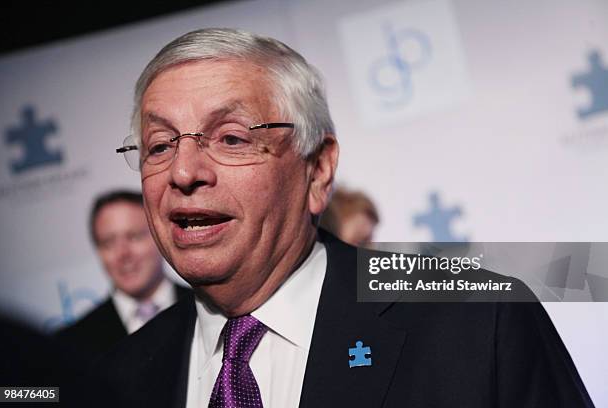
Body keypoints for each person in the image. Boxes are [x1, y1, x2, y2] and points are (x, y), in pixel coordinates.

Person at [92, 29, 594, 407]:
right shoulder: (114, 382)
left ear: (318, 169)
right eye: (159, 145)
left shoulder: (479, 323)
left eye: (231, 139)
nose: (183, 171)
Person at [57, 190, 192, 361]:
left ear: (160, 236)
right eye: (108, 243)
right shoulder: (70, 345)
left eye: (134, 237)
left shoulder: (211, 310)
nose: (123, 254)